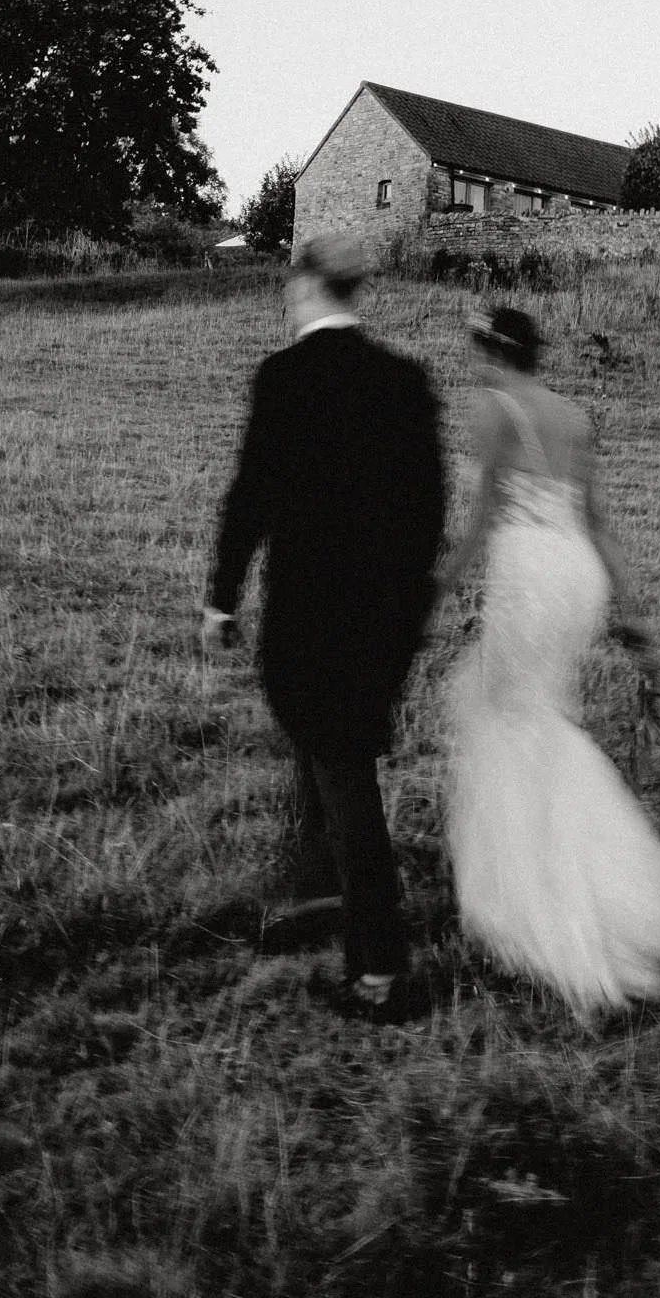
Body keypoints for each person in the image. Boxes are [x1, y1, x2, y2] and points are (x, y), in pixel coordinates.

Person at [439, 305, 660, 1018]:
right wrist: (634, 619)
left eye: (478, 349)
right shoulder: (572, 415)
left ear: (493, 352)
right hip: (577, 575)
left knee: (508, 722)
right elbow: (596, 521)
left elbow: (481, 517)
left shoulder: (493, 407)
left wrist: (436, 588)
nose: (475, 362)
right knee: (530, 716)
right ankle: (590, 887)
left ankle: (543, 908)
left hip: (529, 572)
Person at [201, 234, 444, 1022]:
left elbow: (251, 496)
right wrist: (410, 614)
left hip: (309, 616)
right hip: (386, 617)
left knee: (342, 773)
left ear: (305, 286)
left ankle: (379, 969)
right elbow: (428, 514)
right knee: (323, 749)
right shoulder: (406, 383)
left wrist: (221, 598)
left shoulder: (286, 377)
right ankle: (317, 899)